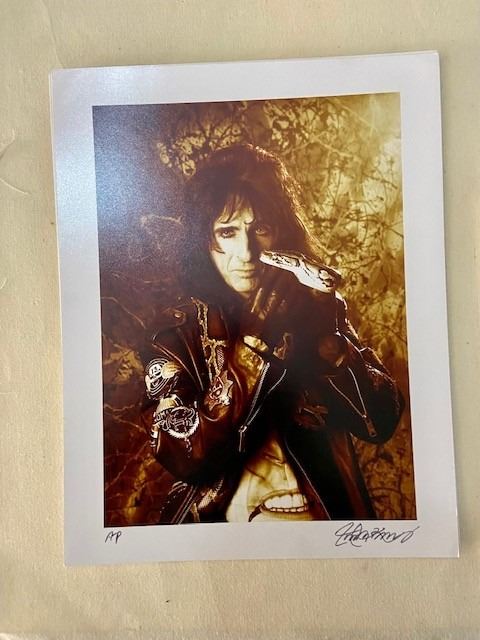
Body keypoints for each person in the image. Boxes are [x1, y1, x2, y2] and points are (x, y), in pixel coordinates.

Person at [141, 144, 404, 524]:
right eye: (227, 232)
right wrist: (251, 350)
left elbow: (379, 423)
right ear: (202, 240)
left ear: (282, 232)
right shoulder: (174, 335)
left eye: (260, 229)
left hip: (329, 523)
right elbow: (182, 454)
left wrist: (331, 344)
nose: (247, 253)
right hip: (224, 531)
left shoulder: (317, 307)